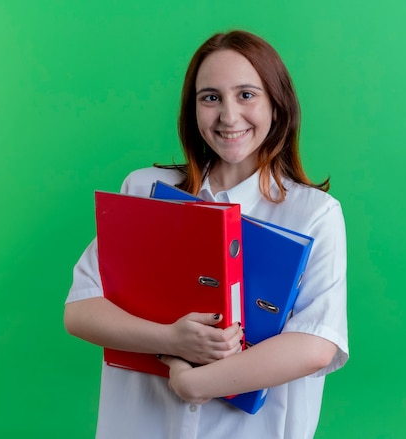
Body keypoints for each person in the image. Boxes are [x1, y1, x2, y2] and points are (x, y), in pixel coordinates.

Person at [64, 30, 348, 439]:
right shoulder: (144, 190)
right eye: (210, 97)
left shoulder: (315, 214)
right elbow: (81, 309)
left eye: (247, 94)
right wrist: (171, 340)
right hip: (143, 423)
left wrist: (195, 383)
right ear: (192, 109)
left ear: (277, 104)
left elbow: (316, 342)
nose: (229, 116)